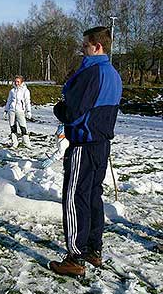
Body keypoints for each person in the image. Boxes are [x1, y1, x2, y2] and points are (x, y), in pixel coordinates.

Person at [49, 26, 122, 277]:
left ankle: (75, 256)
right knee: (92, 196)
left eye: (86, 45)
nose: (82, 48)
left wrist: (59, 109)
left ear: (97, 46)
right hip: (102, 144)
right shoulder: (113, 73)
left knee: (74, 197)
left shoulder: (92, 73)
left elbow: (72, 112)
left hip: (84, 143)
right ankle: (93, 249)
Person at [3, 75, 32, 148]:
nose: (16, 83)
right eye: (15, 81)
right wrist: (6, 110)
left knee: (23, 127)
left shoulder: (25, 91)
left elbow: (27, 101)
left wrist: (28, 111)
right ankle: (15, 142)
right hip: (11, 111)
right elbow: (9, 101)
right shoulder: (12, 91)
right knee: (13, 127)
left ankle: (26, 143)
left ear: (21, 82)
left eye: (18, 81)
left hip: (20, 111)